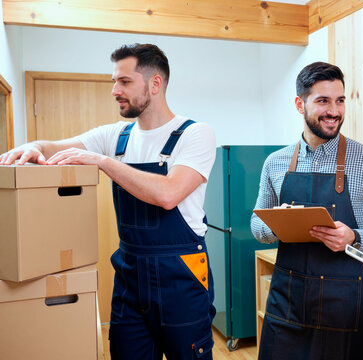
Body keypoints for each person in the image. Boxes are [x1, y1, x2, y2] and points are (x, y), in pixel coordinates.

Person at [0, 43, 217, 360]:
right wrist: (32, 147)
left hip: (181, 275)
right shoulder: (118, 135)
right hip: (130, 274)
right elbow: (52, 146)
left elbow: (168, 194)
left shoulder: (194, 134)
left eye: (125, 82)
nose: (115, 90)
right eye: (114, 81)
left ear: (155, 84)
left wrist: (102, 161)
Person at [251, 62, 363, 360]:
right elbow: (257, 225)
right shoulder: (275, 163)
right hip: (286, 305)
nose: (334, 111)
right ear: (300, 104)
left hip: (343, 306)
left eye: (340, 100)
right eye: (323, 101)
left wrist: (355, 237)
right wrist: (279, 223)